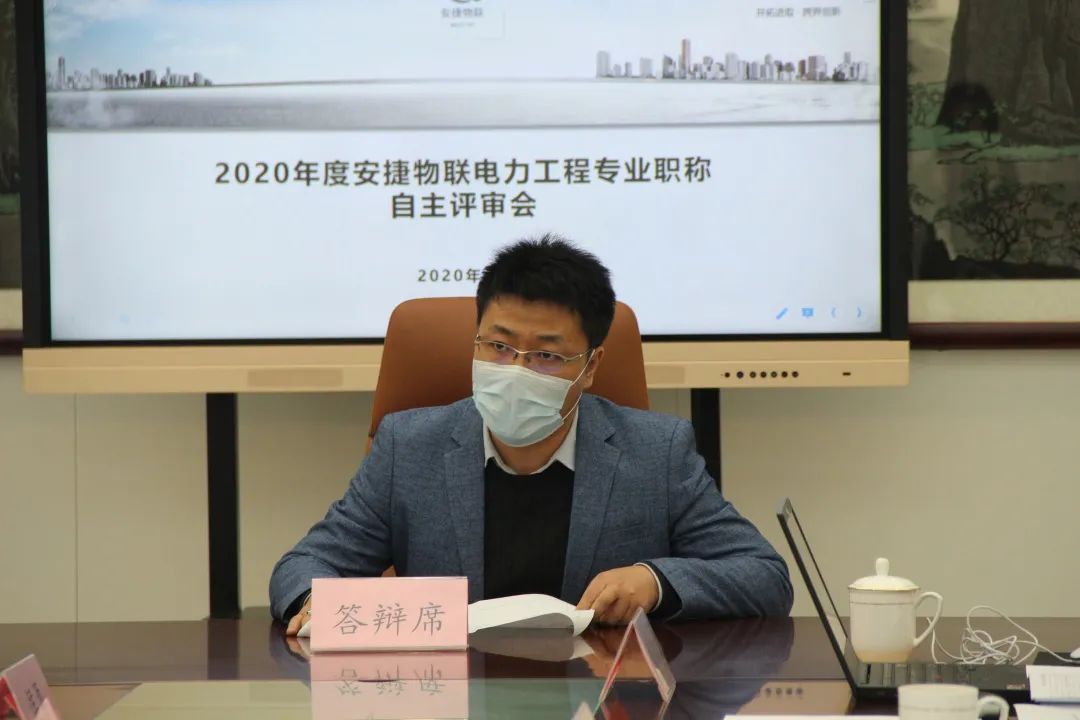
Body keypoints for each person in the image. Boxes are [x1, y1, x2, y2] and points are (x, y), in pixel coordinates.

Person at [270, 236, 792, 633]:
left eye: (545, 355)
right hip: (453, 695)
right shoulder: (409, 446)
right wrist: (318, 603)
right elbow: (303, 565)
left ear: (590, 366)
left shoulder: (657, 452)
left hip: (591, 696)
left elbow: (763, 574)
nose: (515, 370)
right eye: (497, 347)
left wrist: (655, 583)